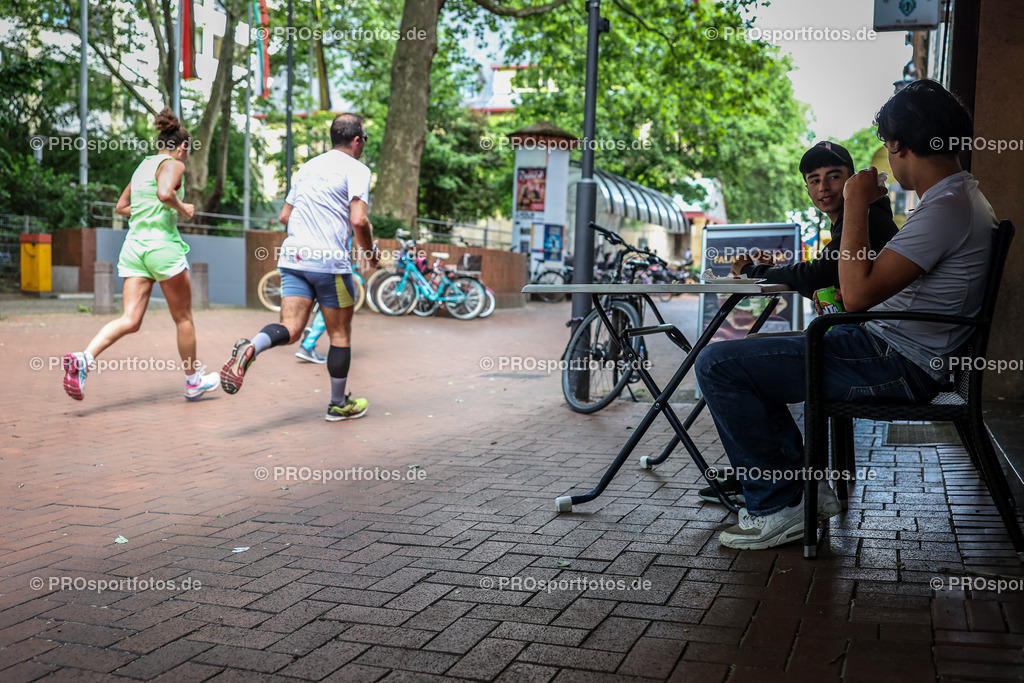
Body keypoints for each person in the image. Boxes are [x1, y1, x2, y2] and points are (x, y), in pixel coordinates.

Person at [695, 79, 996, 550]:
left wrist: (857, 202)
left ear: (898, 146)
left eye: (886, 147)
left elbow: (856, 295)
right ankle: (797, 490)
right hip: (887, 349)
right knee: (749, 359)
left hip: (894, 360)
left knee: (718, 365)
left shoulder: (947, 209)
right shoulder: (956, 202)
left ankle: (777, 504)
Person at [700, 141, 899, 505]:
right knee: (752, 356)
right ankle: (777, 476)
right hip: (870, 340)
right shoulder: (857, 219)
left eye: (834, 177)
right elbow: (827, 275)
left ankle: (780, 491)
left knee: (726, 365)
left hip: (877, 351)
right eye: (814, 180)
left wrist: (755, 270)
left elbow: (821, 271)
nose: (823, 187)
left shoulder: (868, 217)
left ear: (853, 181)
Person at [219, 113, 378, 421]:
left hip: (293, 259)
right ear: (357, 141)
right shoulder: (357, 169)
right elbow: (359, 219)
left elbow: (284, 216)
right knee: (340, 335)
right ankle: (337, 404)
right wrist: (370, 255)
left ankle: (253, 346)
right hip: (330, 264)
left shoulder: (307, 167)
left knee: (291, 330)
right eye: (364, 140)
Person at [62, 108, 219, 401]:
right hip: (163, 248)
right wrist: (183, 208)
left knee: (130, 319)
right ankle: (193, 381)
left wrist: (149, 210)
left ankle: (84, 358)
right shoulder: (174, 164)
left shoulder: (143, 166)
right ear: (183, 147)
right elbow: (163, 193)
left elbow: (122, 206)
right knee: (183, 318)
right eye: (188, 150)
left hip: (134, 249)